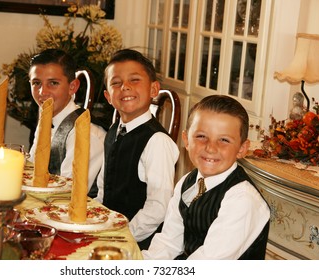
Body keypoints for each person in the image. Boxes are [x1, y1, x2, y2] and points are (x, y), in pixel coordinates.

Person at [142, 95, 270, 259]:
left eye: (224, 140)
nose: (210, 148)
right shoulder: (186, 182)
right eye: (201, 136)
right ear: (186, 140)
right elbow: (168, 242)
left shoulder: (242, 200)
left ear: (242, 149)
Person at [95, 49, 180, 250]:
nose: (125, 87)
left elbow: (158, 208)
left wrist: (121, 236)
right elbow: (103, 189)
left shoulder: (157, 141)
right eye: (116, 83)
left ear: (153, 89)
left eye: (134, 80)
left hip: (139, 244)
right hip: (109, 232)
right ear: (108, 96)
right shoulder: (114, 131)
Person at [28, 49, 106, 192]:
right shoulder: (46, 118)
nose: (42, 92)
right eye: (36, 83)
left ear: (72, 87)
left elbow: (68, 191)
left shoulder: (86, 133)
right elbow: (32, 168)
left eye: (53, 83)